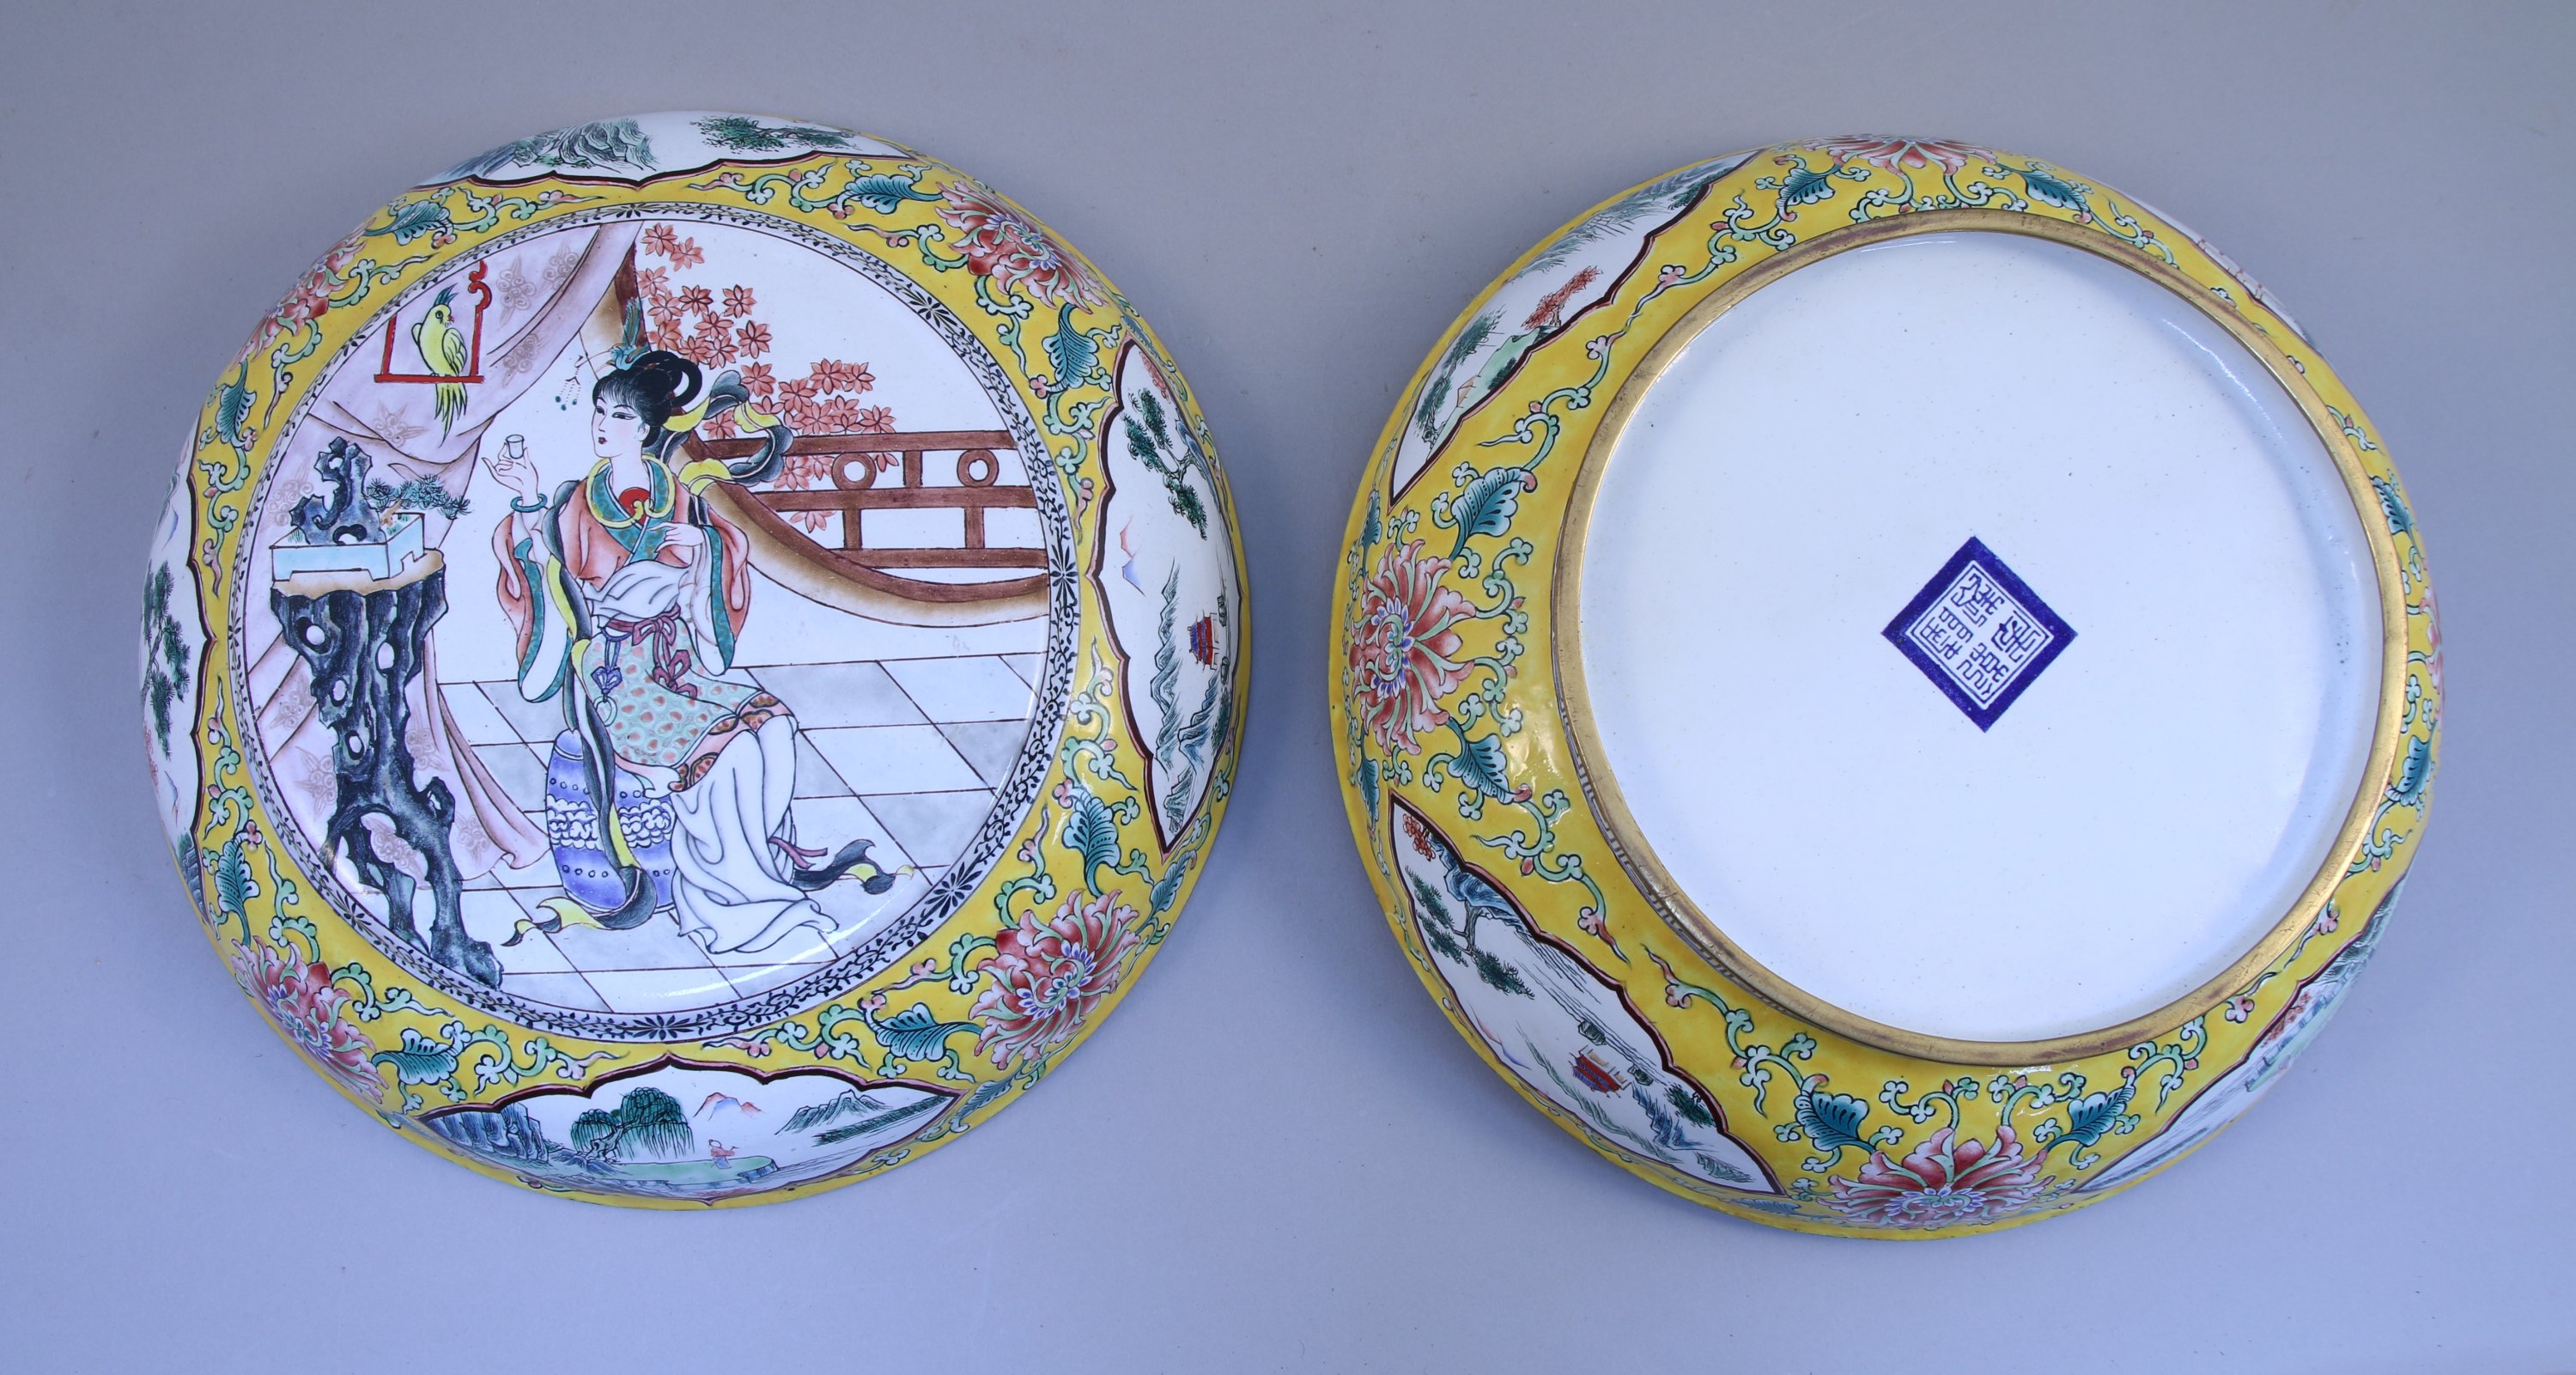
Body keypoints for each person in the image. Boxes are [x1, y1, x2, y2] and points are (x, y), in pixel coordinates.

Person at [486, 344, 887, 957]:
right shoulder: (578, 501)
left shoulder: (674, 493)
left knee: (774, 724)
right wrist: (527, 498)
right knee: (730, 752)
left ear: (646, 429)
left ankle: (762, 866)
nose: (603, 425)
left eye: (620, 416)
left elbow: (719, 558)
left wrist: (702, 548)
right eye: (600, 411)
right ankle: (734, 902)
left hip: (676, 660)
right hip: (618, 672)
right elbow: (551, 573)